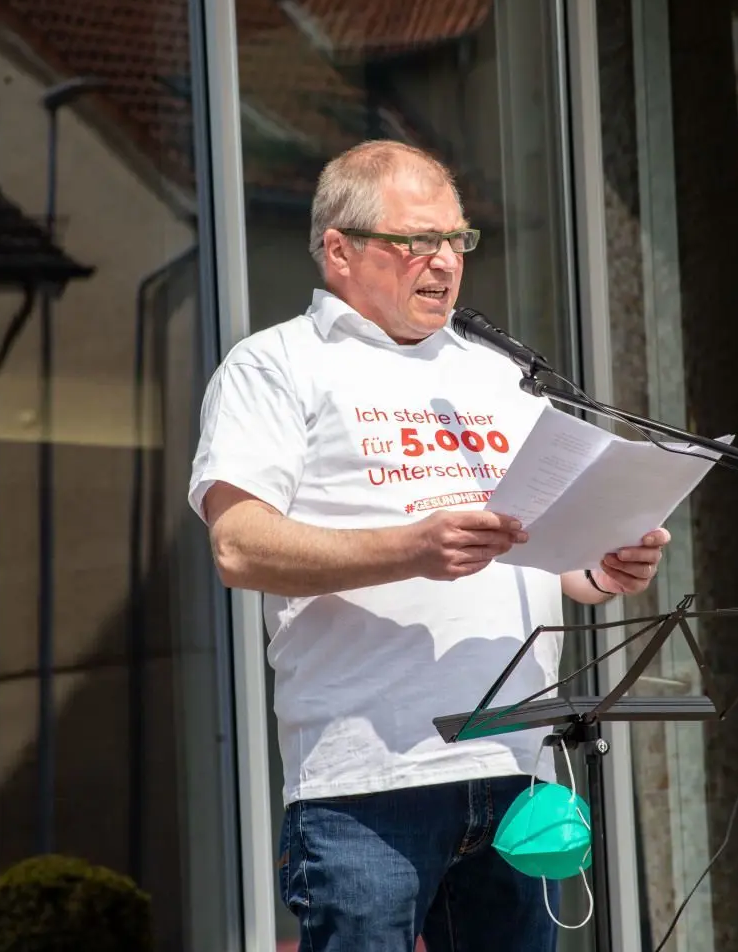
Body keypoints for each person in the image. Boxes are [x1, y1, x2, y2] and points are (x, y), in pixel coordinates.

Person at [189, 139, 671, 951]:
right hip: (370, 780)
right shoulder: (276, 365)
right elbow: (239, 546)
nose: (443, 262)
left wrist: (604, 562)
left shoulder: (497, 374)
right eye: (416, 241)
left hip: (518, 772)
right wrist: (409, 549)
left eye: (456, 240)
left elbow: (552, 554)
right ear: (339, 249)